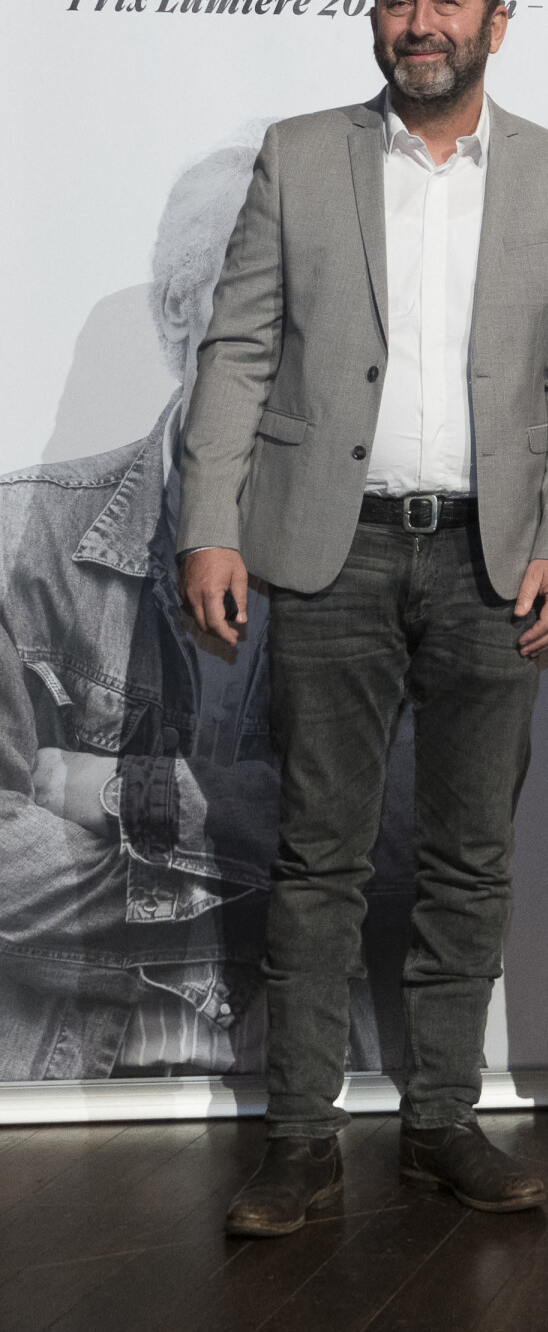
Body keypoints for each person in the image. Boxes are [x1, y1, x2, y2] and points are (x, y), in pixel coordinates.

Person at [178, 0, 548, 1234]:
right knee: (319, 857)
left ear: (497, 24)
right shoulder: (301, 154)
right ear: (377, 23)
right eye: (397, 2)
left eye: (445, 3)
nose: (418, 24)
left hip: (495, 561)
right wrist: (210, 523)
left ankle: (439, 1122)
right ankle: (301, 1142)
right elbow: (241, 346)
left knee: (468, 857)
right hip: (329, 550)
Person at [0, 142, 285, 1080]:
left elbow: (410, 841)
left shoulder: (390, 550)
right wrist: (283, 881)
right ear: (177, 310)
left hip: (316, 1088)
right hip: (70, 1084)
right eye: (264, 297)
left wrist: (110, 796)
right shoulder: (24, 532)